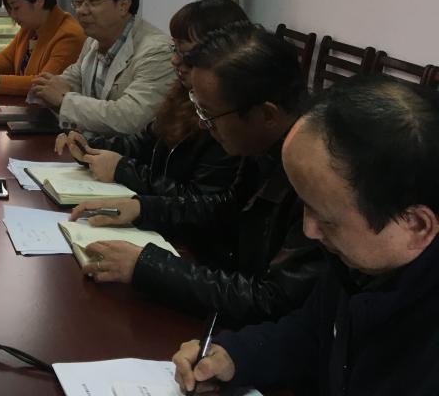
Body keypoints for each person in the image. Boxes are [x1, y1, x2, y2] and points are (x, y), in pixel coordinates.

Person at [173, 76, 439, 396]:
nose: (308, 230)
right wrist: (236, 356)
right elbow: (311, 334)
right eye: (304, 204)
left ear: (417, 226)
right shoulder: (357, 265)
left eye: (326, 219)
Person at [68, 23, 325, 326]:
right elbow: (227, 207)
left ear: (266, 115)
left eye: (210, 114)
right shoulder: (264, 142)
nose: (203, 124)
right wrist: (142, 208)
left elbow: (271, 301)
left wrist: (147, 266)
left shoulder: (317, 176)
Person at [56, 0, 246, 210]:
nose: (174, 60)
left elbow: (203, 204)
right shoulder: (181, 96)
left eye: (186, 53)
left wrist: (122, 171)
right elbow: (142, 143)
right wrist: (88, 146)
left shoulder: (228, 115)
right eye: (175, 48)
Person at [30, 0, 174, 139]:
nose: (81, 11)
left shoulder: (157, 51)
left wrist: (64, 100)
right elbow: (70, 80)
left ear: (123, 5)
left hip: (131, 154)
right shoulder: (93, 41)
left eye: (93, 1)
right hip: (93, 147)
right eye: (79, 2)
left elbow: (130, 118)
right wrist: (48, 88)